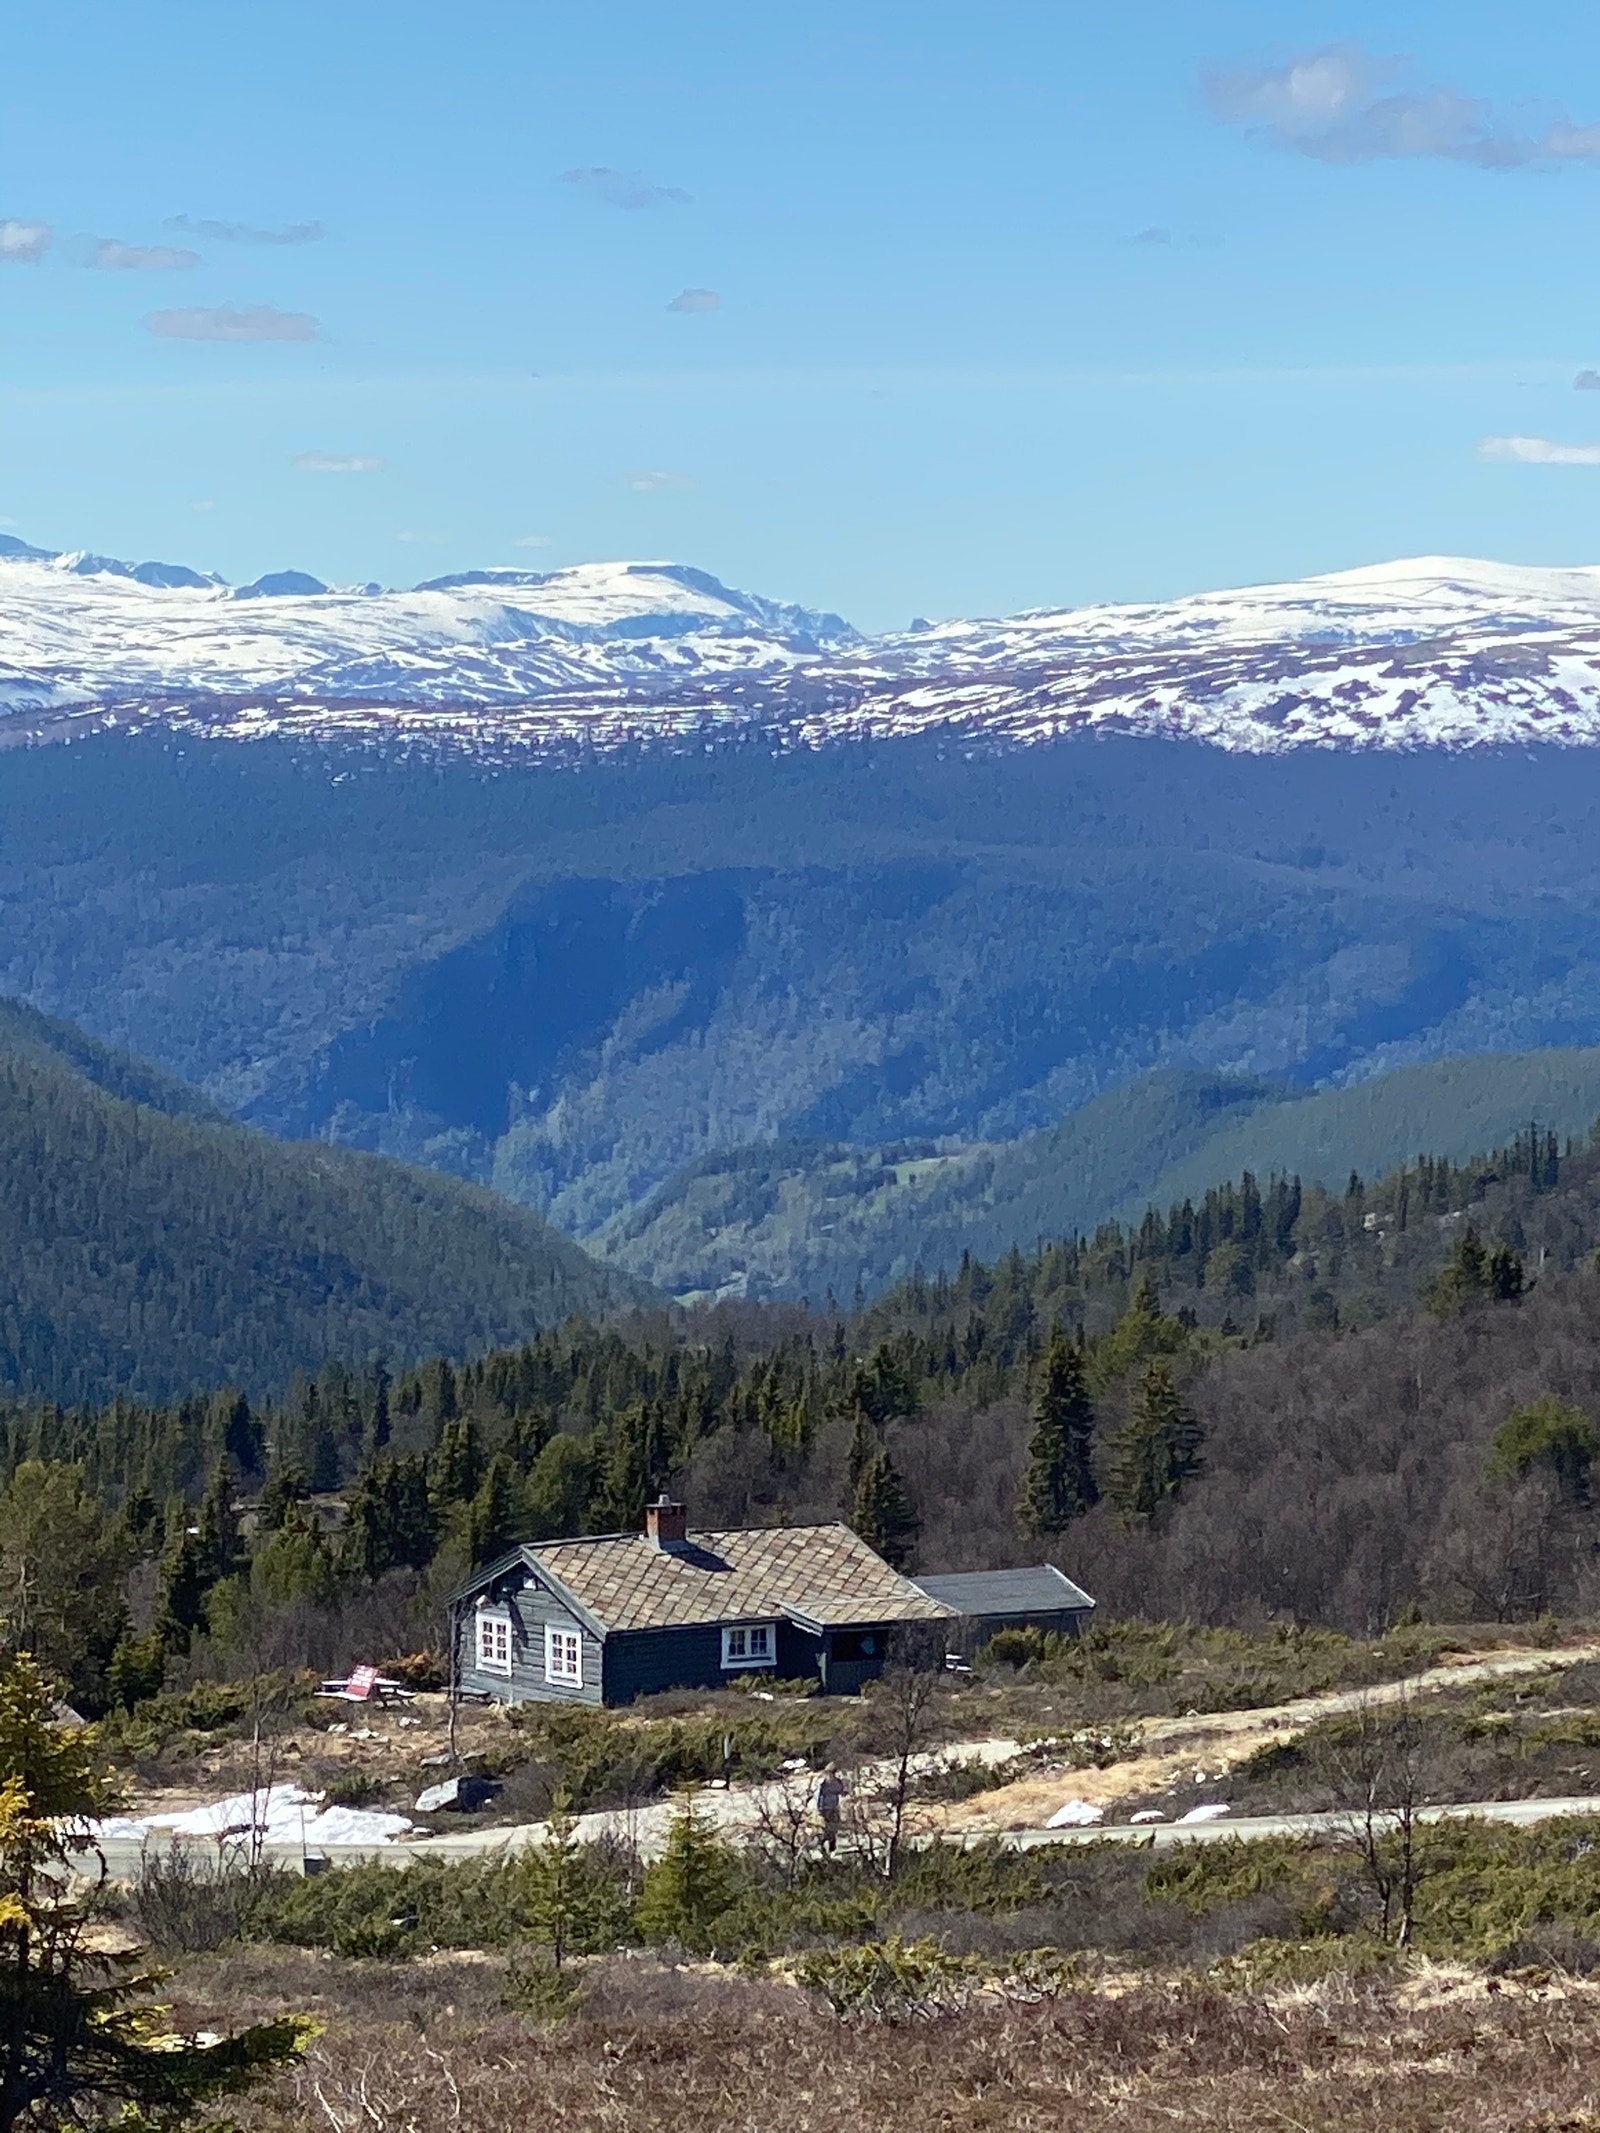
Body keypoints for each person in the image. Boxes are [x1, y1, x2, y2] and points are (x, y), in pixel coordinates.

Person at [816, 1765, 846, 1854]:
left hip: (829, 1807)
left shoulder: (827, 1784)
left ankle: (828, 1846)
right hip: (830, 1807)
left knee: (830, 1827)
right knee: (831, 1827)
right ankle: (829, 1846)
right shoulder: (833, 1783)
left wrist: (820, 1807)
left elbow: (822, 1795)